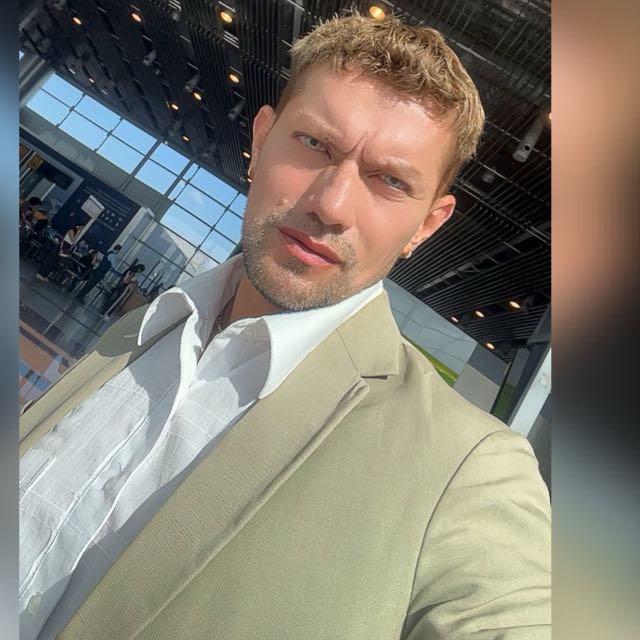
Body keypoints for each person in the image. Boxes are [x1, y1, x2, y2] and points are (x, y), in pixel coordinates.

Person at [19, 13, 550, 640]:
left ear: (427, 226)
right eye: (315, 144)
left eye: (389, 181)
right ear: (262, 138)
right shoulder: (147, 328)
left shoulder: (468, 468)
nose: (330, 204)